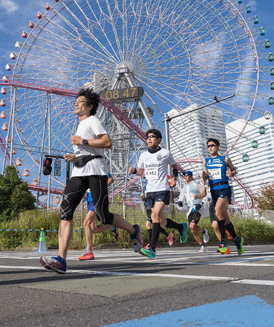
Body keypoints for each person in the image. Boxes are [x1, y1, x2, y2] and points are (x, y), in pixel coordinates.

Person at [40, 89, 143, 273]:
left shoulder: (92, 121)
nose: (76, 104)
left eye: (80, 102)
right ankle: (61, 260)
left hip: (96, 170)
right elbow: (85, 149)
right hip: (79, 170)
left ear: (90, 106)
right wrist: (75, 156)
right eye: (76, 102)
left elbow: (106, 142)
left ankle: (133, 231)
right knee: (65, 210)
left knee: (103, 215)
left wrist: (84, 142)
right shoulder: (80, 126)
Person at [129, 129, 187, 259]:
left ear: (159, 139)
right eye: (148, 137)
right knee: (160, 221)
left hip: (162, 189)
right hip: (149, 191)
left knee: (154, 215)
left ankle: (152, 248)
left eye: (152, 137)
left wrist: (174, 178)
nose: (149, 139)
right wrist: (134, 171)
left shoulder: (165, 153)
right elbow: (140, 172)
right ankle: (180, 227)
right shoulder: (143, 155)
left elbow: (175, 166)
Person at [203, 138, 243, 255]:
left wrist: (231, 173)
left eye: (212, 145)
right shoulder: (205, 161)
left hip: (224, 188)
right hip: (213, 190)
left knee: (217, 210)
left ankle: (223, 242)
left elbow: (234, 170)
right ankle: (237, 239)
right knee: (225, 219)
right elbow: (204, 176)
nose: (210, 147)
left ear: (218, 147)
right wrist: (203, 176)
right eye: (208, 146)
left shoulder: (225, 159)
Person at [80, 179, 119, 261]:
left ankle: (89, 252)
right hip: (89, 200)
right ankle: (113, 228)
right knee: (93, 228)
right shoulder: (87, 170)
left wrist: (98, 189)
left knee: (86, 223)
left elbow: (111, 179)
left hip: (97, 199)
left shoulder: (99, 167)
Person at [177, 170, 210, 253]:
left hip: (197, 208)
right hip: (189, 210)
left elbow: (205, 194)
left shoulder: (196, 184)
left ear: (191, 176)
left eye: (187, 175)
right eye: (184, 175)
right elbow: (181, 197)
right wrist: (180, 202)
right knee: (193, 230)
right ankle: (203, 244)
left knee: (192, 226)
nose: (185, 177)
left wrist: (202, 203)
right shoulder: (183, 188)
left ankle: (203, 233)